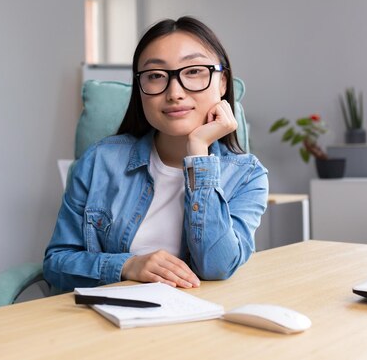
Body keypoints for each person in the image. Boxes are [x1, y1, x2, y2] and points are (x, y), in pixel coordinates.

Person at [43, 16, 268, 291]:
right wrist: (127, 266)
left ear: (222, 82)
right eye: (155, 76)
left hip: (202, 321)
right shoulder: (99, 161)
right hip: (107, 320)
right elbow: (57, 263)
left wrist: (198, 154)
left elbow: (217, 266)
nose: (175, 92)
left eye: (194, 71)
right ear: (140, 89)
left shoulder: (247, 176)